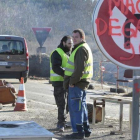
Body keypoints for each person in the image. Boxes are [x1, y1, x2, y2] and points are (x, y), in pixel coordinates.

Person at [64, 29, 93, 139]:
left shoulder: (80, 49)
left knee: (76, 109)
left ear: (82, 38)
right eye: (73, 37)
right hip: (82, 84)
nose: (74, 39)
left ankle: (78, 132)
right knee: (82, 108)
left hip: (76, 84)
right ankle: (85, 130)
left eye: (76, 37)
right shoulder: (84, 47)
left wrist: (72, 82)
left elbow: (79, 69)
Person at [50, 35, 73, 132]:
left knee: (68, 104)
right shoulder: (57, 53)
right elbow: (56, 67)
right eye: (69, 43)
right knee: (61, 104)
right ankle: (60, 124)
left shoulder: (69, 52)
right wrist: (66, 75)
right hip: (59, 82)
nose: (71, 45)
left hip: (67, 82)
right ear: (63, 43)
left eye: (71, 43)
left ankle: (64, 122)